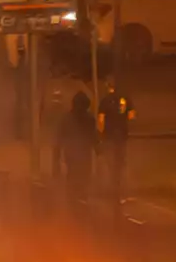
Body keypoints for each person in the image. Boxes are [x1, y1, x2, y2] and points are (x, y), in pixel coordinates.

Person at [52, 91, 99, 207]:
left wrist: (56, 159)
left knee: (77, 178)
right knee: (79, 178)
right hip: (78, 155)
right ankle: (77, 201)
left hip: (76, 155)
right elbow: (94, 137)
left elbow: (59, 139)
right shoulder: (86, 119)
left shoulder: (69, 119)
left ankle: (76, 201)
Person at [97, 76, 135, 207]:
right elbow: (131, 115)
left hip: (109, 137)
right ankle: (125, 193)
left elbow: (101, 120)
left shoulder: (104, 101)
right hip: (122, 135)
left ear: (108, 86)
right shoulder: (125, 98)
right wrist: (122, 119)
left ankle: (114, 192)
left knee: (110, 164)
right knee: (122, 163)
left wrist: (101, 133)